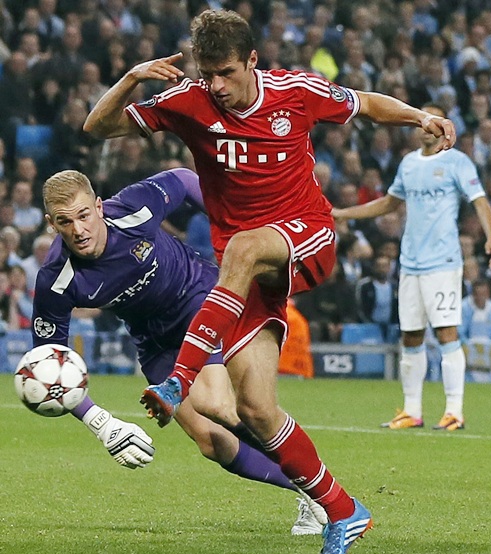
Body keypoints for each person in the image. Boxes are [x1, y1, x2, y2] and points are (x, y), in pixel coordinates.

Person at [83, 9, 456, 554]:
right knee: (256, 408)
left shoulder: (295, 91)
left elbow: (367, 103)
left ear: (252, 61)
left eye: (227, 73)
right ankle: (343, 509)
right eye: (208, 74)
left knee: (240, 247)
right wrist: (133, 78)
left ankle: (177, 381)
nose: (217, 86)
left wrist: (419, 116)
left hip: (308, 234)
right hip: (252, 276)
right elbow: (98, 127)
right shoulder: (189, 101)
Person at [34, 167, 327, 534]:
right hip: (153, 340)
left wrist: (235, 231)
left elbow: (187, 179)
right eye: (65, 222)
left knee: (214, 403)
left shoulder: (133, 207)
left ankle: (322, 491)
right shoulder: (57, 279)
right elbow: (48, 363)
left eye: (83, 215)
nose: (79, 230)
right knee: (212, 442)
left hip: (198, 299)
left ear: (98, 206)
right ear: (51, 223)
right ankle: (310, 491)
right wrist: (102, 424)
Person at [333, 104, 491, 433]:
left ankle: (454, 410)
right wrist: (345, 213)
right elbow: (390, 203)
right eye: (421, 121)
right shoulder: (408, 164)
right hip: (410, 263)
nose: (424, 127)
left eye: (431, 121)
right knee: (410, 335)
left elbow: (480, 200)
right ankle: (412, 410)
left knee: (447, 333)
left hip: (443, 262)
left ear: (443, 128)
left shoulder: (456, 161)